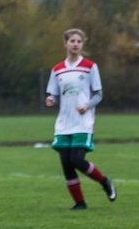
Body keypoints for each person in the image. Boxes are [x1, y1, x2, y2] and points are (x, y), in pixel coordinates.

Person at [45, 28, 116, 210]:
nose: (76, 44)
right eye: (72, 41)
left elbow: (98, 95)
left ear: (82, 44)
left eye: (79, 41)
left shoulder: (90, 67)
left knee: (76, 160)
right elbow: (52, 94)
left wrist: (88, 105)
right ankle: (79, 203)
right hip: (63, 123)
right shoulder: (57, 70)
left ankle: (104, 181)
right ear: (65, 43)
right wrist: (51, 99)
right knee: (66, 163)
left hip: (82, 122)